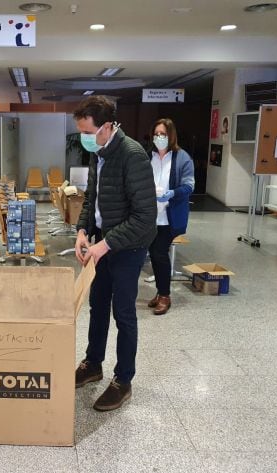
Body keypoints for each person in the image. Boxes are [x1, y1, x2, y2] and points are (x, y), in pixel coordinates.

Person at [73, 96, 157, 411]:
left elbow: (144, 217)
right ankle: (93, 364)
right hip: (102, 242)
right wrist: (82, 231)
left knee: (123, 313)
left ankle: (123, 381)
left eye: (87, 131)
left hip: (128, 245)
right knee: (97, 306)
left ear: (107, 126)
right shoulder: (99, 152)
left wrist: (104, 244)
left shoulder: (132, 155)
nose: (84, 138)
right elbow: (91, 199)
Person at [147, 119, 195, 315]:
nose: (159, 137)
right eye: (156, 134)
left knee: (159, 253)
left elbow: (189, 185)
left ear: (171, 135)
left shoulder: (182, 158)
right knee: (155, 255)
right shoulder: (147, 156)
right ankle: (160, 293)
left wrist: (172, 193)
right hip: (149, 215)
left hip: (169, 216)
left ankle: (165, 295)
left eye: (163, 134)